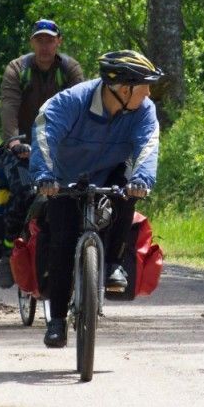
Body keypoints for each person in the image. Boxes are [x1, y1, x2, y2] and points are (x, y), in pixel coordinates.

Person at [30, 50, 162, 348]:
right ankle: (57, 321)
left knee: (128, 190)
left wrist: (142, 179)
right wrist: (45, 175)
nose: (149, 92)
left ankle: (114, 262)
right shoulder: (73, 101)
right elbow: (44, 131)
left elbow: (148, 144)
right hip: (64, 178)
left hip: (112, 172)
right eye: (145, 86)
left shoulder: (143, 110)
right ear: (124, 88)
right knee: (62, 242)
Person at [0, 19, 84, 288]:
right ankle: (8, 252)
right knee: (23, 193)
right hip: (23, 145)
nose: (45, 46)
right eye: (39, 40)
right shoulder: (17, 68)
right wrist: (13, 141)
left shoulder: (70, 69)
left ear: (59, 41)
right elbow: (9, 105)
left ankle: (84, 255)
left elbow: (80, 105)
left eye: (50, 40)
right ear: (32, 42)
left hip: (61, 146)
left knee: (81, 193)